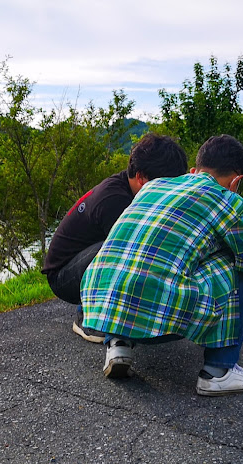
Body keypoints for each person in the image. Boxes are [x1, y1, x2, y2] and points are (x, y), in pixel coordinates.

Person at [80, 134, 243, 396]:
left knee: (135, 259)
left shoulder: (155, 186)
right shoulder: (234, 204)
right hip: (156, 321)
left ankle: (118, 345)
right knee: (240, 265)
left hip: (98, 309)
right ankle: (219, 372)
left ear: (193, 170)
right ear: (236, 180)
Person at [42, 133, 188, 343]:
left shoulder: (131, 189)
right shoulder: (114, 201)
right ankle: (89, 317)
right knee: (123, 249)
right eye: (164, 185)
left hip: (83, 260)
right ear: (141, 177)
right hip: (64, 276)